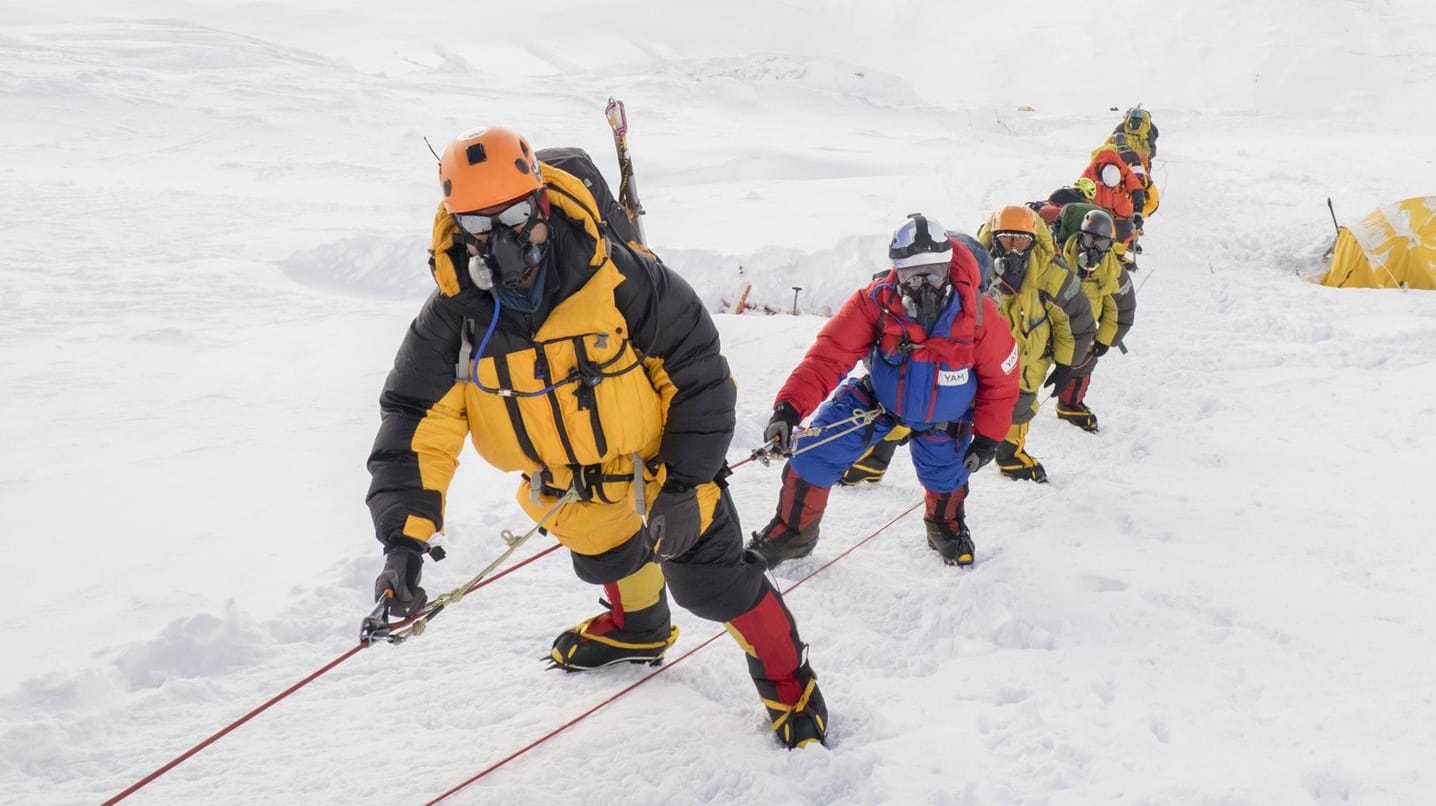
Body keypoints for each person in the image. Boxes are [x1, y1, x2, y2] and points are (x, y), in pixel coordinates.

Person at [365, 125, 826, 748]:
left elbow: (702, 375)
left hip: (664, 473)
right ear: (457, 228)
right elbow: (415, 423)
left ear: (543, 205)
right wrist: (404, 542)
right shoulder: (455, 315)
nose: (499, 240)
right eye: (479, 225)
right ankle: (640, 630)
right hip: (569, 492)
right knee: (606, 559)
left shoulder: (621, 278)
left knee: (712, 584)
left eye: (516, 215)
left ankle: (791, 684)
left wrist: (685, 484)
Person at [747, 214, 1019, 568]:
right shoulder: (875, 301)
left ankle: (944, 524)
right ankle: (793, 533)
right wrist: (788, 409)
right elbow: (828, 356)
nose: (923, 284)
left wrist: (987, 440)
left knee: (948, 474)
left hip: (946, 415)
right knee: (813, 454)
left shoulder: (980, 316)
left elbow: (1001, 384)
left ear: (948, 267)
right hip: (879, 401)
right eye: (911, 275)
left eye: (933, 273)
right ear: (896, 272)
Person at [838, 232, 995, 486]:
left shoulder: (979, 311)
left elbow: (997, 374)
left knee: (931, 419)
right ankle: (873, 461)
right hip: (900, 383)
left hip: (948, 399)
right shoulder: (885, 297)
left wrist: (989, 436)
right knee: (896, 409)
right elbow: (840, 346)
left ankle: (941, 499)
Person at [978, 205, 1096, 482]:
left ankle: (1010, 454)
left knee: (1020, 409)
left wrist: (1068, 363)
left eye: (1022, 240)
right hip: (982, 364)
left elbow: (1076, 320)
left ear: (1033, 240)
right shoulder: (976, 270)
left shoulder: (1051, 273)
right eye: (1007, 239)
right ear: (994, 239)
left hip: (1028, 363)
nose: (1015, 248)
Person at [1052, 208, 1136, 432]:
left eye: (1101, 243)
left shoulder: (1112, 271)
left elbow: (1120, 309)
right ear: (1080, 237)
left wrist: (1105, 339)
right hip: (1050, 327)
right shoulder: (1059, 259)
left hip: (1082, 332)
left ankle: (1070, 404)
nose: (1093, 248)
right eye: (1089, 240)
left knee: (1083, 365)